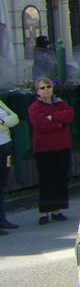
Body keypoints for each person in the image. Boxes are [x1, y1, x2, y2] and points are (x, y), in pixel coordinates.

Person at [28, 77, 74, 225]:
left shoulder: (61, 103)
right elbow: (41, 124)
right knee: (47, 180)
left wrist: (53, 117)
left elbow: (69, 115)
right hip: (44, 148)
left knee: (60, 178)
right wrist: (59, 124)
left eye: (48, 87)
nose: (46, 90)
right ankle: (44, 212)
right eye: (42, 88)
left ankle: (56, 210)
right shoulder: (34, 107)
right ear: (37, 91)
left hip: (62, 146)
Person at [0, 97, 20, 231]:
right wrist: (5, 123)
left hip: (5, 147)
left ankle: (2, 219)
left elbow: (15, 119)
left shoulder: (0, 102)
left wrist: (2, 121)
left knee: (2, 184)